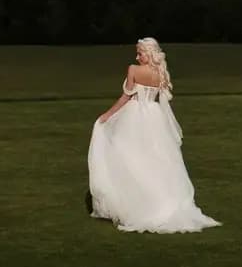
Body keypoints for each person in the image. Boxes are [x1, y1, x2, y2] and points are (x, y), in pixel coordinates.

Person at [86, 37, 220, 233]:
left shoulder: (133, 69)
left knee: (130, 157)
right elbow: (164, 104)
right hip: (155, 117)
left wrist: (106, 115)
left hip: (135, 116)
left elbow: (126, 97)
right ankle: (161, 201)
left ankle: (134, 203)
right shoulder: (160, 73)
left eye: (140, 52)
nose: (137, 56)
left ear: (148, 54)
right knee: (157, 161)